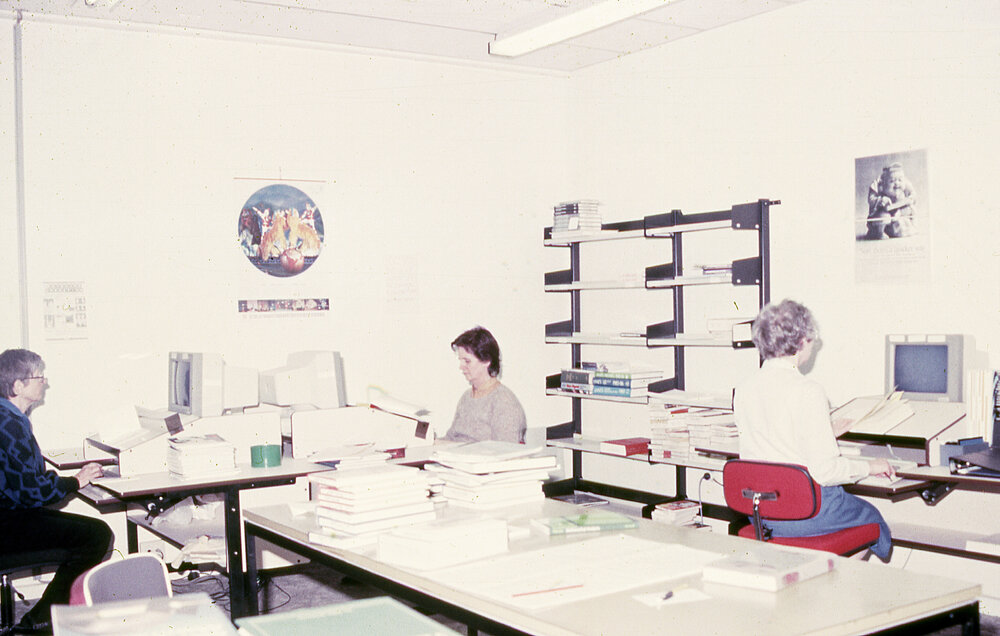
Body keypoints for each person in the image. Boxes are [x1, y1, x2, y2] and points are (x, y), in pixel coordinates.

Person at [732, 301, 895, 562]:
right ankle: (833, 589)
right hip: (808, 514)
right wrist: (871, 467)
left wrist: (823, 431)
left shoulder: (744, 389)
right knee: (873, 519)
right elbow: (826, 472)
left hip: (763, 513)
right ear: (801, 342)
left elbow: (773, 440)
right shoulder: (808, 391)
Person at [0, 349, 113, 634]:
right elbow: (33, 492)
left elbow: (23, 479)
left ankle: (42, 620)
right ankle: (37, 624)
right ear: (18, 387)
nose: (45, 382)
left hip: (7, 516)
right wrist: (76, 480)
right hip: (6, 525)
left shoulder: (6, 416)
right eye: (39, 377)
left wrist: (63, 478)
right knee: (96, 535)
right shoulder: (11, 424)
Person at [442, 327, 527, 444]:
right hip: (455, 458)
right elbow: (450, 438)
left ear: (486, 361)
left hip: (480, 461)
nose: (461, 366)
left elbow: (504, 452)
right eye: (460, 360)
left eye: (467, 361)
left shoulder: (504, 402)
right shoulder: (466, 397)